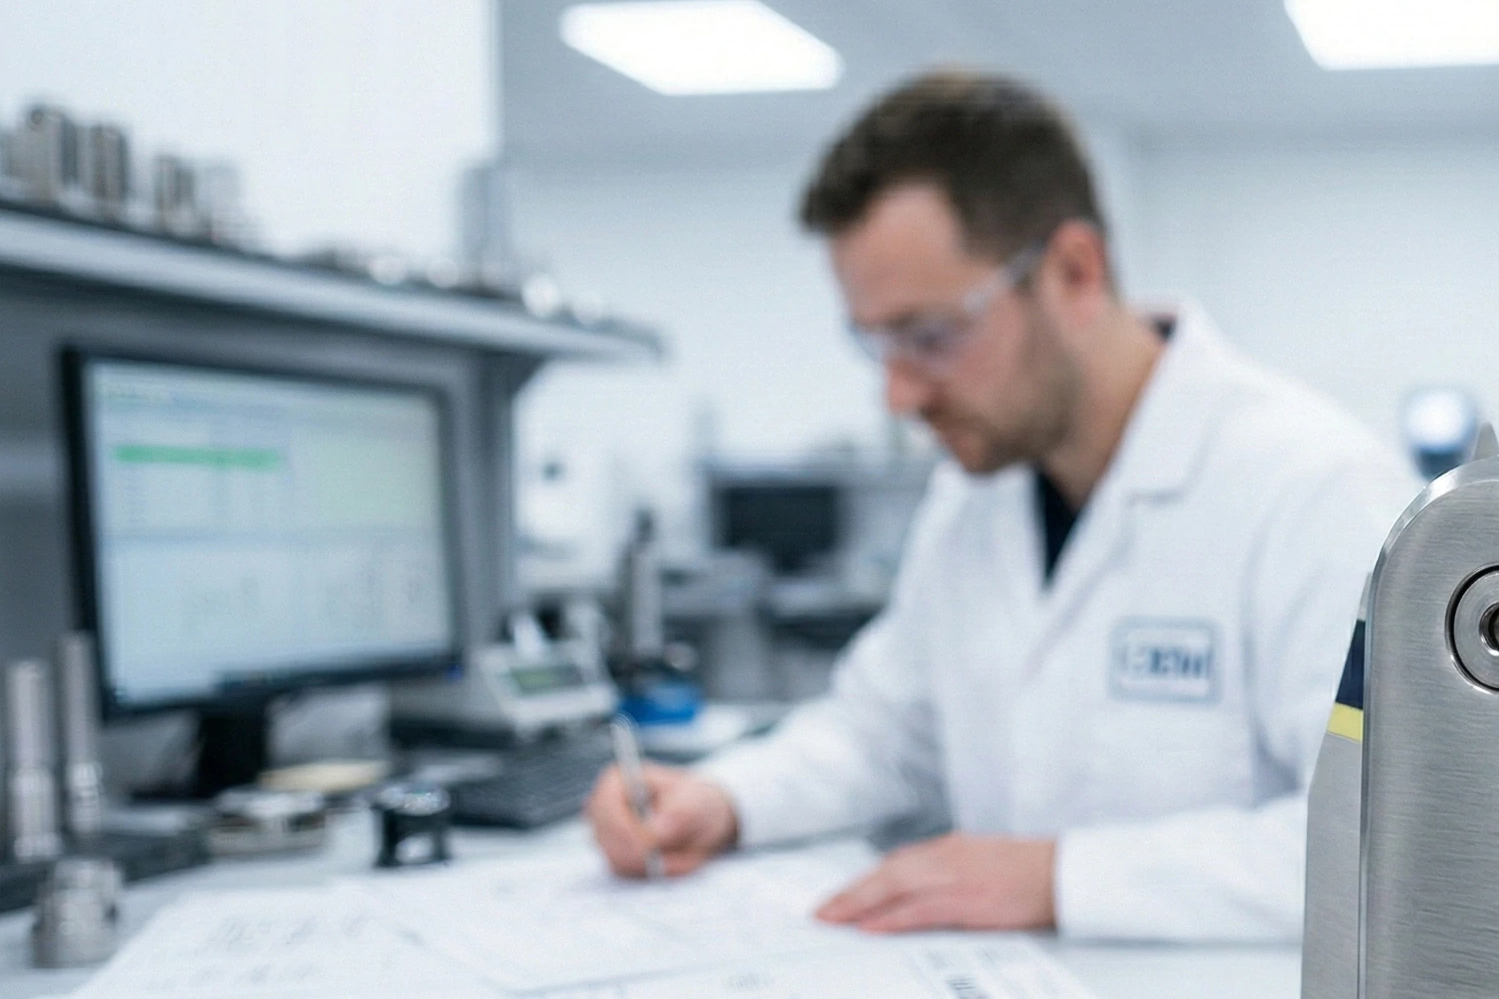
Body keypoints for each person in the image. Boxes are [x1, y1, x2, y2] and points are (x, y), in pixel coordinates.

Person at [585, 70, 1418, 942]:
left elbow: (1399, 846)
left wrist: (1059, 879)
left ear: (1073, 270)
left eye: (931, 337)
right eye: (874, 343)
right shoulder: (972, 496)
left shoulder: (1311, 489)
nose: (898, 396)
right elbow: (885, 732)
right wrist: (726, 798)